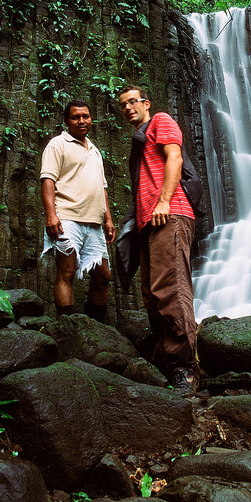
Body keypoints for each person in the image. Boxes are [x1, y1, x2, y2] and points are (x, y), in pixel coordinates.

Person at [118, 85, 199, 395]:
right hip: (148, 223)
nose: (127, 108)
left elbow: (174, 159)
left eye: (132, 102)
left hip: (170, 213)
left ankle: (186, 369)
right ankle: (168, 362)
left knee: (171, 287)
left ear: (146, 103)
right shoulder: (139, 142)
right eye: (122, 104)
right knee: (152, 294)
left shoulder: (161, 121)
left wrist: (164, 201)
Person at [40, 99, 116, 321]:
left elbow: (102, 187)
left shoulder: (95, 151)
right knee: (67, 272)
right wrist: (51, 215)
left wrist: (108, 220)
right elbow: (47, 180)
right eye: (75, 117)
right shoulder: (58, 144)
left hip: (94, 224)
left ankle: (95, 328)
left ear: (91, 119)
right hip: (67, 218)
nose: (81, 121)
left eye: (86, 116)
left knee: (103, 277)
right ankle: (70, 330)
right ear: (66, 121)